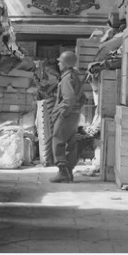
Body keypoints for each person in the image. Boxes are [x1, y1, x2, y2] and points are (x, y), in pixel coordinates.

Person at [50, 51, 84, 183]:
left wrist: (64, 112)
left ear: (65, 63)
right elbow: (82, 98)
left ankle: (63, 172)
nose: (58, 64)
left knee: (58, 140)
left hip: (67, 115)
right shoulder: (75, 76)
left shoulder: (66, 78)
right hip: (74, 115)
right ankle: (69, 172)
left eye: (60, 61)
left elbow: (68, 98)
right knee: (71, 142)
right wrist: (75, 110)